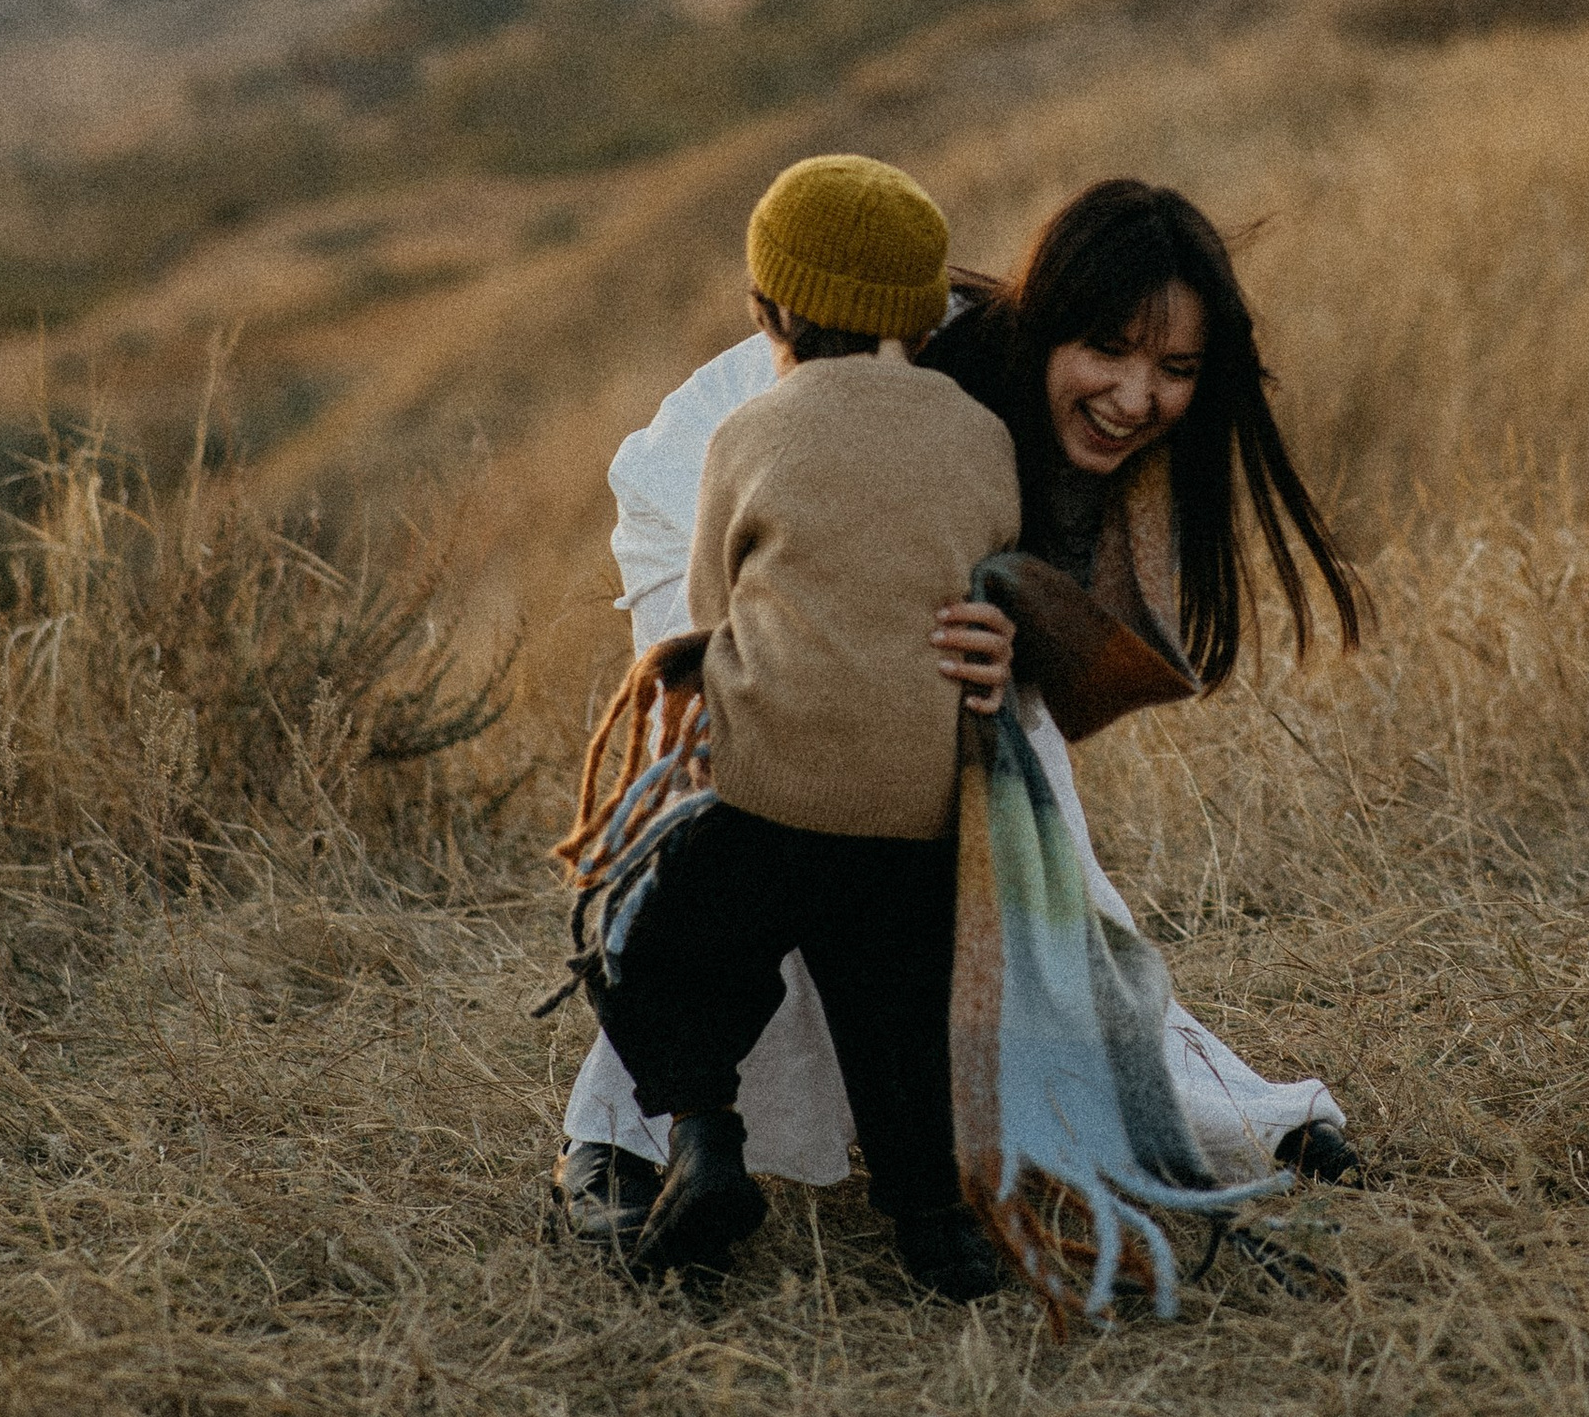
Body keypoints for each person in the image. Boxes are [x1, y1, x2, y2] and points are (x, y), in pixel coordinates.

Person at [549, 176, 1365, 1258]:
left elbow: (1065, 634)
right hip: (723, 489)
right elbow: (778, 578)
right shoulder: (926, 375)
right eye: (1107, 351)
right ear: (1046, 326)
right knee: (757, 807)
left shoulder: (1067, 443)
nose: (1137, 397)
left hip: (876, 582)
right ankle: (624, 1139)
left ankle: (1141, 1110)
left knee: (1005, 833)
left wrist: (1011, 633)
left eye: (1175, 369)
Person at [587, 152, 1021, 1300]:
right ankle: (939, 1234)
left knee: (649, 952)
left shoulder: (748, 433)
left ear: (766, 308)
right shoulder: (982, 437)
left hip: (773, 796)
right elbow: (989, 567)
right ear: (924, 314)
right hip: (920, 811)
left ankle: (705, 1141)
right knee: (899, 1021)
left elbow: (712, 612)